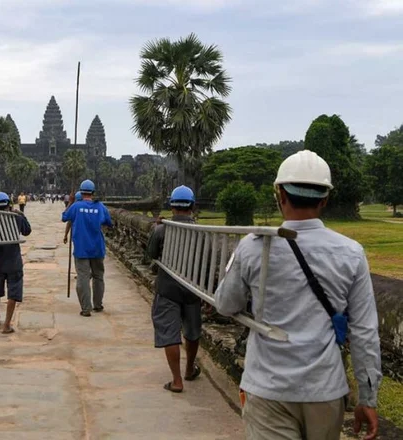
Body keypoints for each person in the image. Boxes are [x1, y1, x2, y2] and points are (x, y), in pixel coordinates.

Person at [215, 150, 381, 440]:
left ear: (280, 193)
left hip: (268, 386)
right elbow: (365, 331)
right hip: (325, 389)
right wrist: (368, 397)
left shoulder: (253, 246)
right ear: (325, 199)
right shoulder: (351, 253)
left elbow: (226, 305)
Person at [147, 185, 202, 393]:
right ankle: (189, 368)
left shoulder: (162, 230)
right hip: (193, 287)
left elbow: (150, 254)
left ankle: (177, 380)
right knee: (192, 330)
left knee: (169, 332)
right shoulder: (201, 232)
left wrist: (156, 228)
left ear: (172, 206)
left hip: (168, 287)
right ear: (192, 206)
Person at [61, 180, 112, 317]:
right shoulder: (100, 207)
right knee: (98, 276)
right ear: (93, 192)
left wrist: (70, 202)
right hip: (97, 247)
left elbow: (64, 217)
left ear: (81, 192)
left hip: (81, 248)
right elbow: (109, 222)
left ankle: (86, 308)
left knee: (83, 277)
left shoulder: (76, 206)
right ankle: (98, 304)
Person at [0, 192, 32, 334]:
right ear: (9, 204)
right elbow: (27, 231)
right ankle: (6, 324)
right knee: (13, 292)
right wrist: (21, 215)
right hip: (14, 261)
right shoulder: (16, 218)